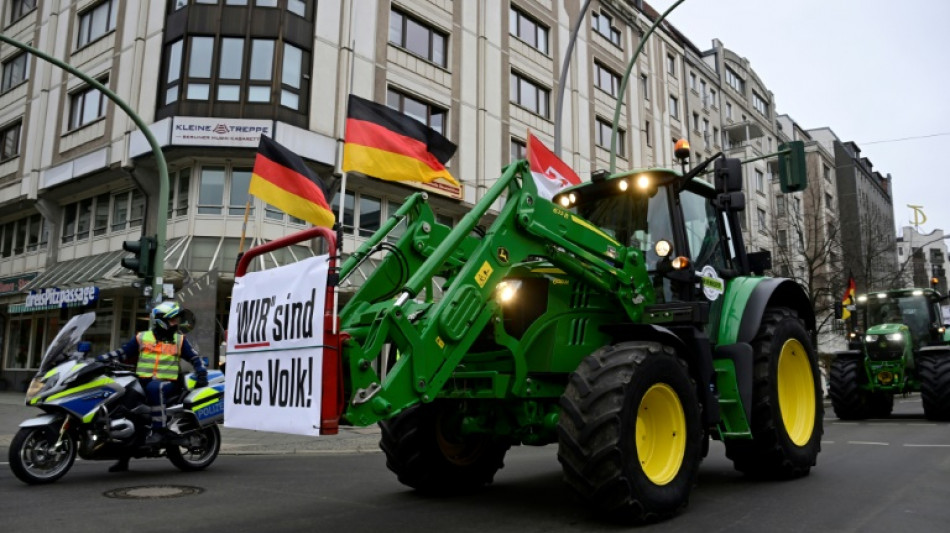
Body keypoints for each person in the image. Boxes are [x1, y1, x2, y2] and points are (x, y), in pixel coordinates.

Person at [97, 301, 208, 472]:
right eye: (173, 320)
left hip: (169, 382)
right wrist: (102, 359)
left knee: (154, 388)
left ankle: (160, 430)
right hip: (143, 381)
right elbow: (123, 352)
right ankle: (123, 457)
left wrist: (201, 373)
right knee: (126, 407)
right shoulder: (143, 337)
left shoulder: (179, 340)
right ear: (162, 321)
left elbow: (195, 358)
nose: (176, 323)